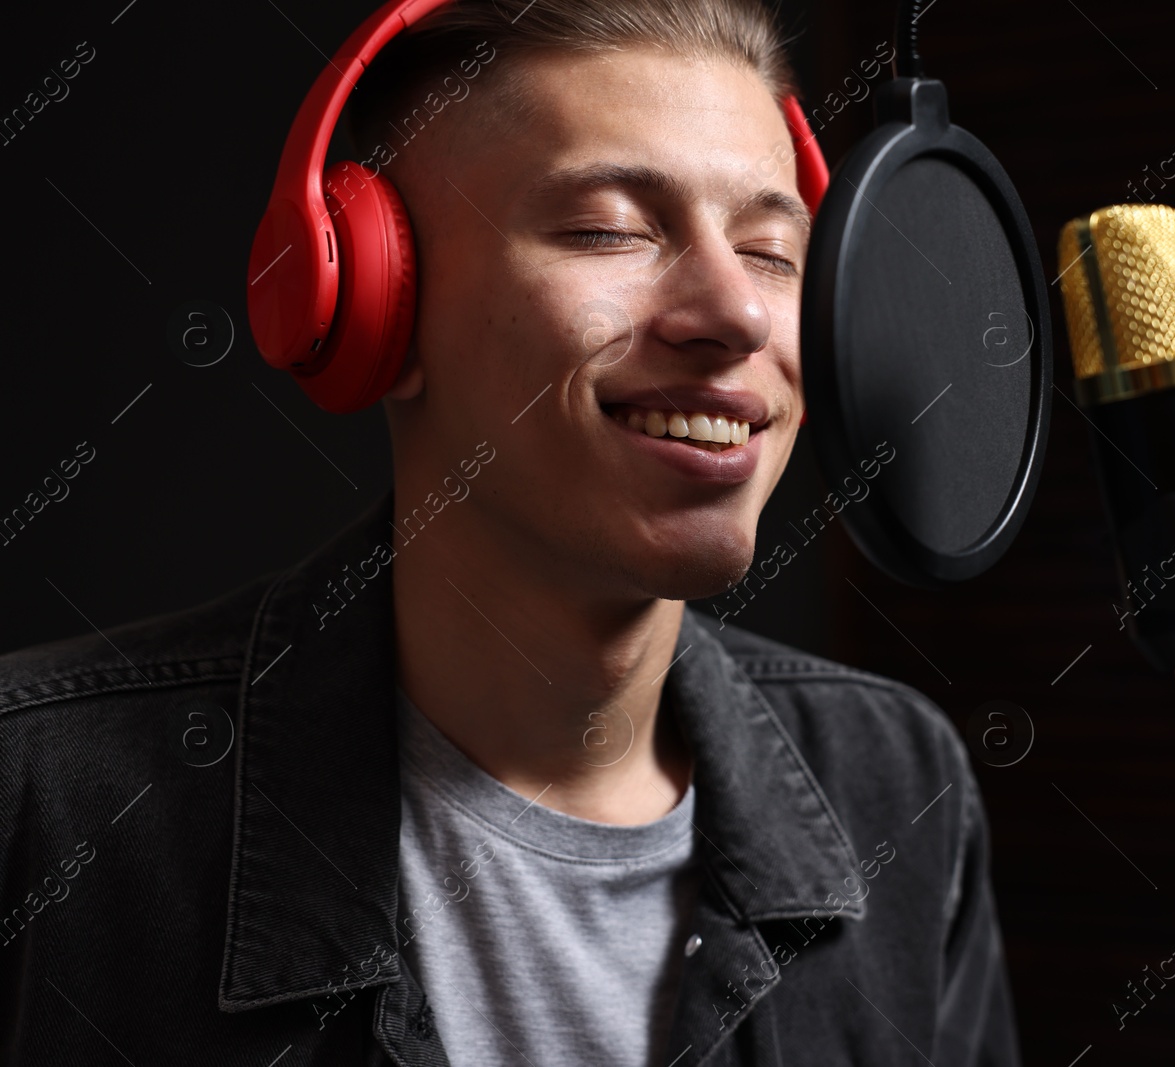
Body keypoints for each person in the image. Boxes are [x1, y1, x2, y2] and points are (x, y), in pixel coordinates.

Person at [0, 1, 1023, 1064]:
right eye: (608, 228)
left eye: (771, 249)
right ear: (366, 302)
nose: (738, 313)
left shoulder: (896, 782)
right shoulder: (47, 803)